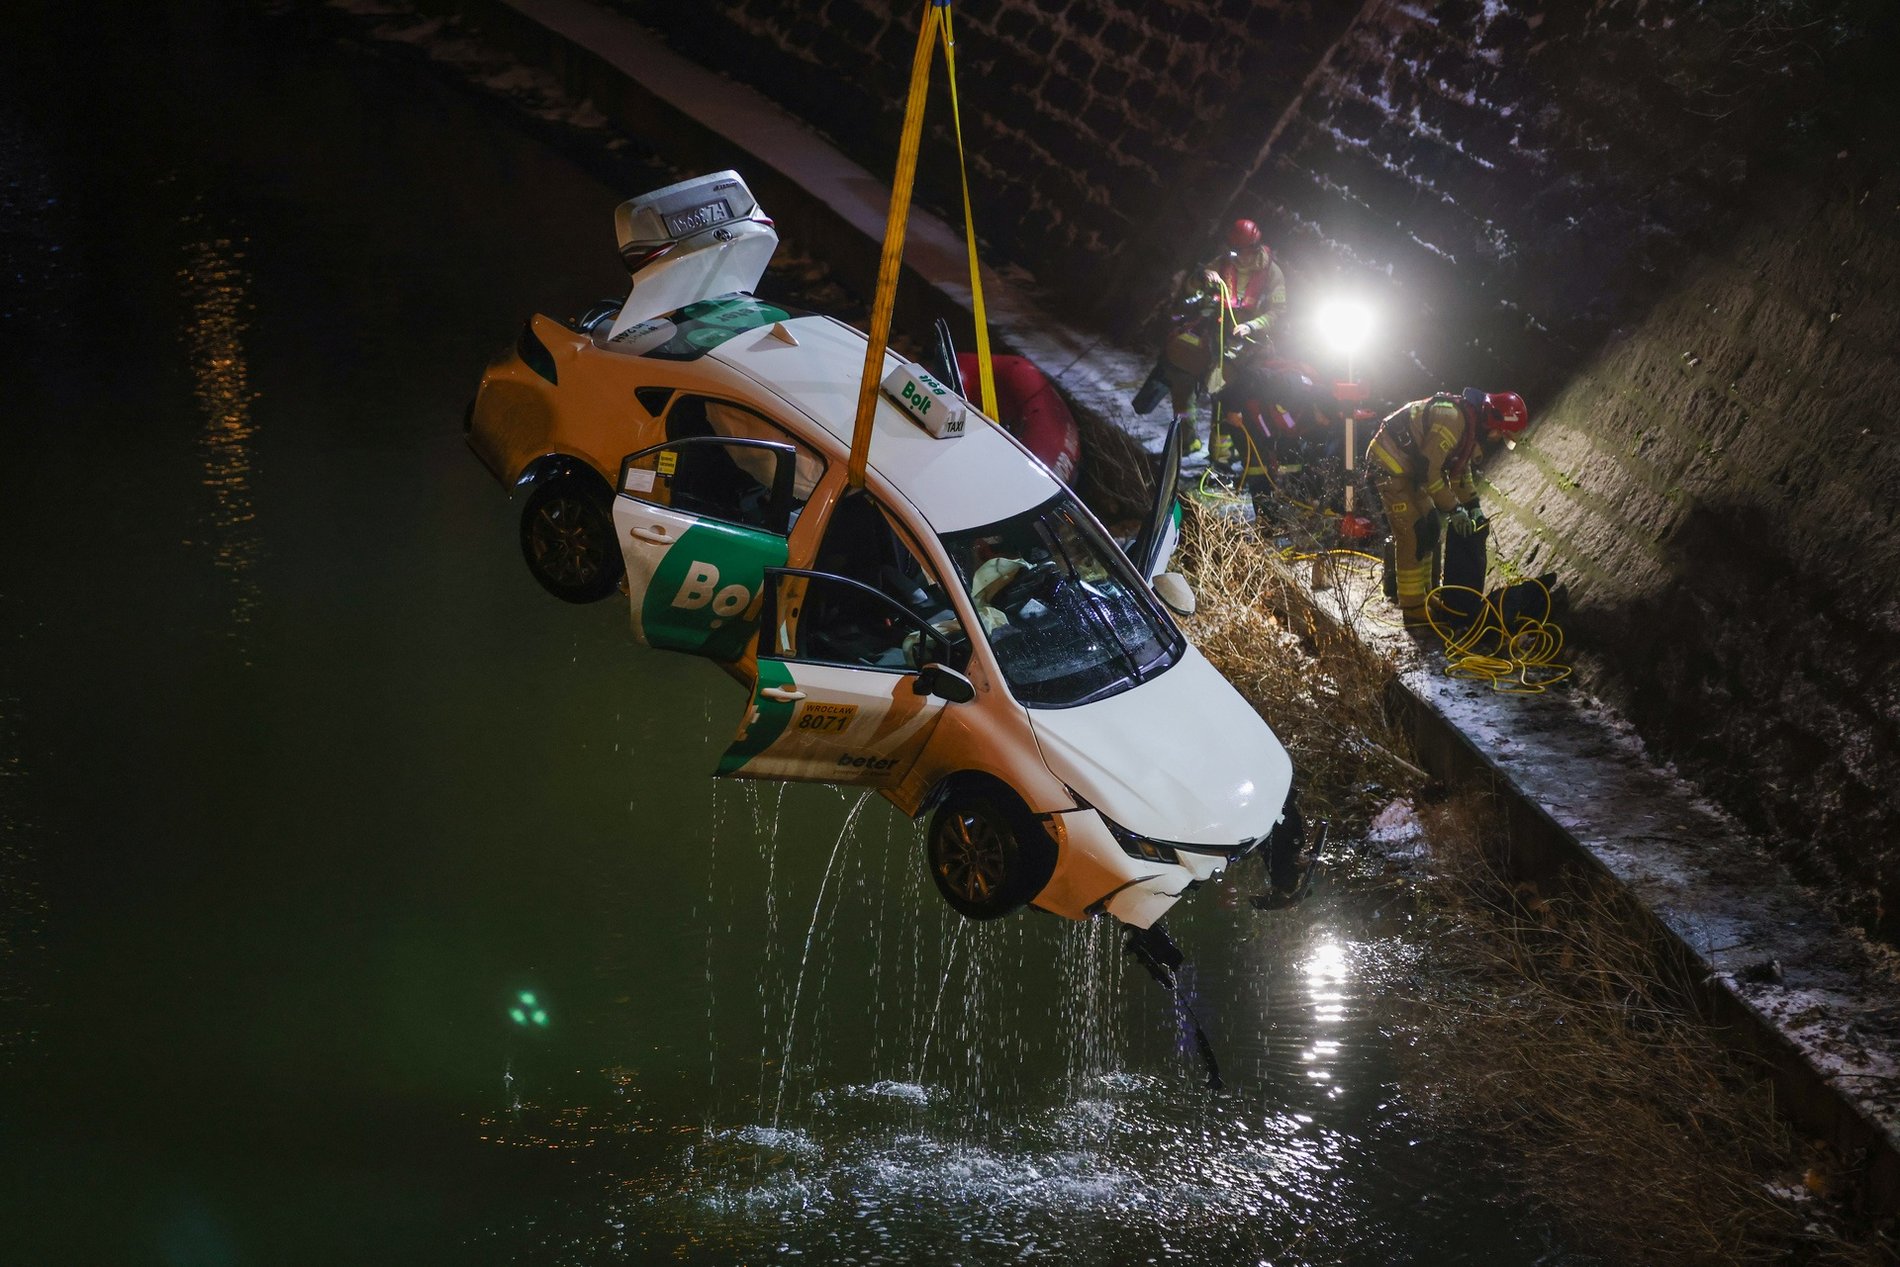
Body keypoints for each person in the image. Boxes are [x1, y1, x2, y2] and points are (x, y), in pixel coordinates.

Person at [1366, 388, 1529, 626]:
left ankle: (1425, 594)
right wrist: (1454, 509)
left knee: (1430, 527)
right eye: (1500, 432)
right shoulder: (1453, 421)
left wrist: (1472, 505)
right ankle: (1412, 607)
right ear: (1493, 418)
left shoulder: (1469, 425)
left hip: (1409, 469)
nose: (1496, 438)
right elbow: (1429, 470)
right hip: (1390, 465)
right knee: (1412, 534)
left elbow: (1459, 472)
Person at [1132, 219, 1288, 458]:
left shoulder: (1272, 273)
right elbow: (1190, 291)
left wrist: (1251, 326)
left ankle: (1221, 454)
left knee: (1227, 395)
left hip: (1248, 347)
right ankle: (1187, 440)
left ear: (1254, 247)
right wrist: (1202, 276)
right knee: (1179, 372)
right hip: (1213, 335)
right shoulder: (1222, 263)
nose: (1237, 256)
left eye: (1241, 250)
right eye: (1233, 249)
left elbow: (1278, 311)